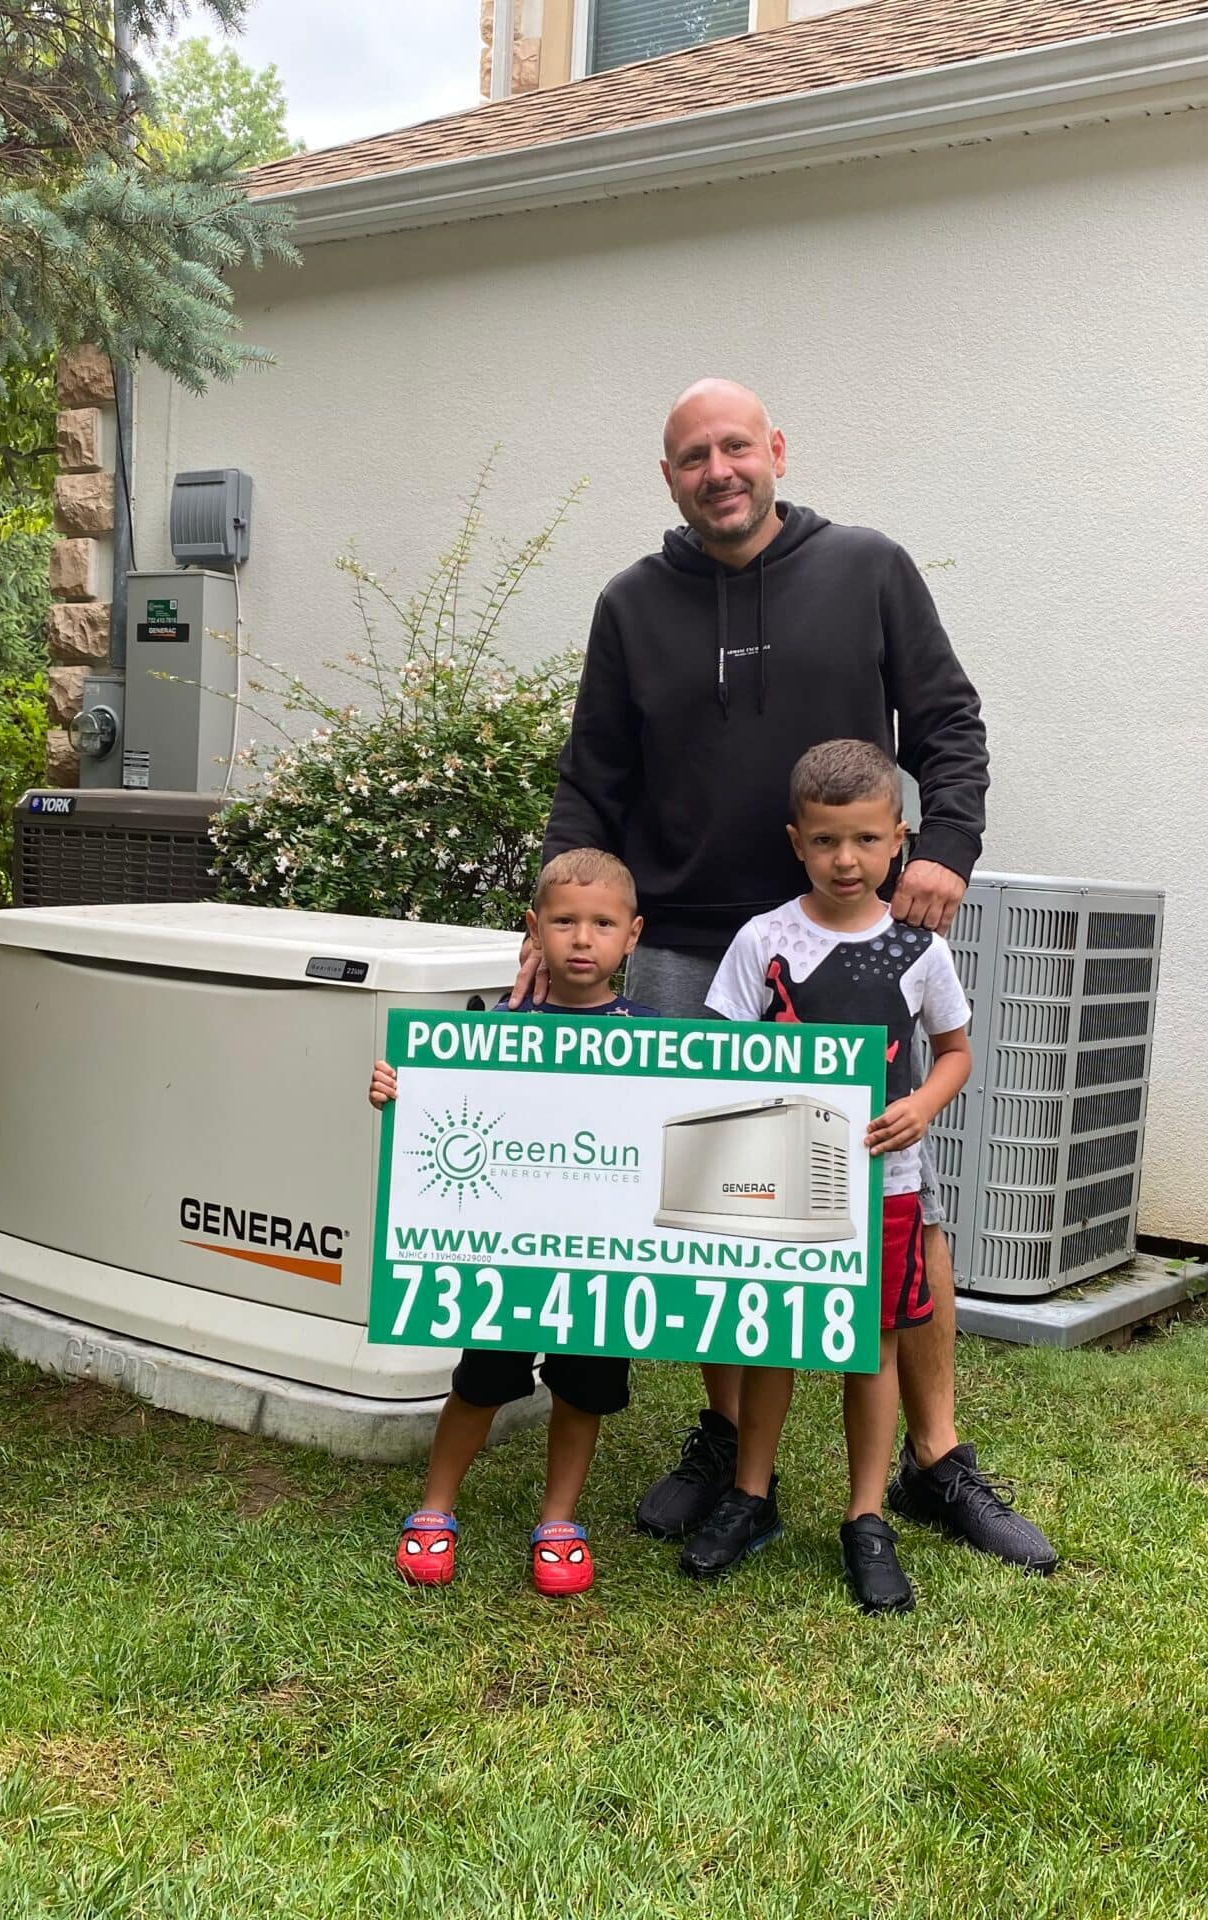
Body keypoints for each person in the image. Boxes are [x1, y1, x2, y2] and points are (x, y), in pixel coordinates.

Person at [534, 376, 1056, 1575]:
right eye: (690, 456)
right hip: (682, 951)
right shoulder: (631, 604)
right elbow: (592, 776)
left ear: (775, 450)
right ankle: (729, 1444)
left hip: (850, 940)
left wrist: (948, 851)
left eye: (734, 446)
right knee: (723, 1216)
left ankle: (936, 1461)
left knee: (899, 1204)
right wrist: (552, 904)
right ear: (669, 478)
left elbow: (948, 725)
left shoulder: (869, 567)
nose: (716, 470)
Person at [676, 740, 970, 1612]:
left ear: (900, 840)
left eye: (867, 841)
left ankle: (867, 1516)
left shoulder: (919, 947)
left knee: (869, 1347)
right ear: (796, 840)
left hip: (885, 1185)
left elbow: (954, 1051)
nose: (847, 860)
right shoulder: (761, 938)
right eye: (826, 842)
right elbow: (715, 1053)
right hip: (777, 1184)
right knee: (771, 1335)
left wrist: (922, 1105)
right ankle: (750, 1496)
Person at [370, 848, 657, 1596]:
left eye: (602, 924)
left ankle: (559, 1521)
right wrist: (403, 1088)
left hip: (603, 1259)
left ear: (633, 935)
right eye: (564, 922)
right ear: (533, 931)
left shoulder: (661, 1040)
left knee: (582, 1388)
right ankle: (435, 1508)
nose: (582, 939)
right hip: (507, 1254)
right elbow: (451, 1110)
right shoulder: (499, 1027)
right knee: (482, 1379)